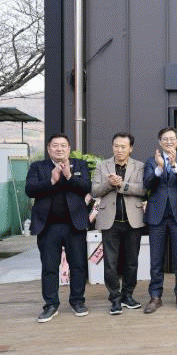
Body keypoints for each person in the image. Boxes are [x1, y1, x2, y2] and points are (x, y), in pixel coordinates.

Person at [26, 134, 92, 322]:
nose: (59, 149)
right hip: (48, 226)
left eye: (63, 145)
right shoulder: (38, 167)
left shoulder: (79, 165)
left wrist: (69, 176)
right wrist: (51, 181)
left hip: (75, 225)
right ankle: (51, 304)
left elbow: (86, 187)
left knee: (78, 266)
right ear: (49, 149)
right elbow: (30, 190)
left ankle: (77, 301)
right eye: (55, 145)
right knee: (49, 267)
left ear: (69, 149)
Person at [91, 132, 146, 315]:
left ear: (131, 148)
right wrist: (109, 184)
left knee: (132, 262)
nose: (119, 150)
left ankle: (128, 295)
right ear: (112, 146)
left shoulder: (140, 166)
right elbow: (94, 191)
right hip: (110, 222)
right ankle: (115, 298)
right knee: (110, 264)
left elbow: (143, 189)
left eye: (123, 146)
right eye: (116, 146)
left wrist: (122, 185)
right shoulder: (102, 166)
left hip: (133, 221)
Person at [142, 127, 177, 313]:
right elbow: (146, 184)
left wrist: (174, 166)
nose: (169, 142)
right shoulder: (151, 161)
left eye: (172, 139)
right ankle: (155, 296)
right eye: (165, 139)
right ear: (159, 141)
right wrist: (159, 168)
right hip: (157, 215)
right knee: (156, 259)